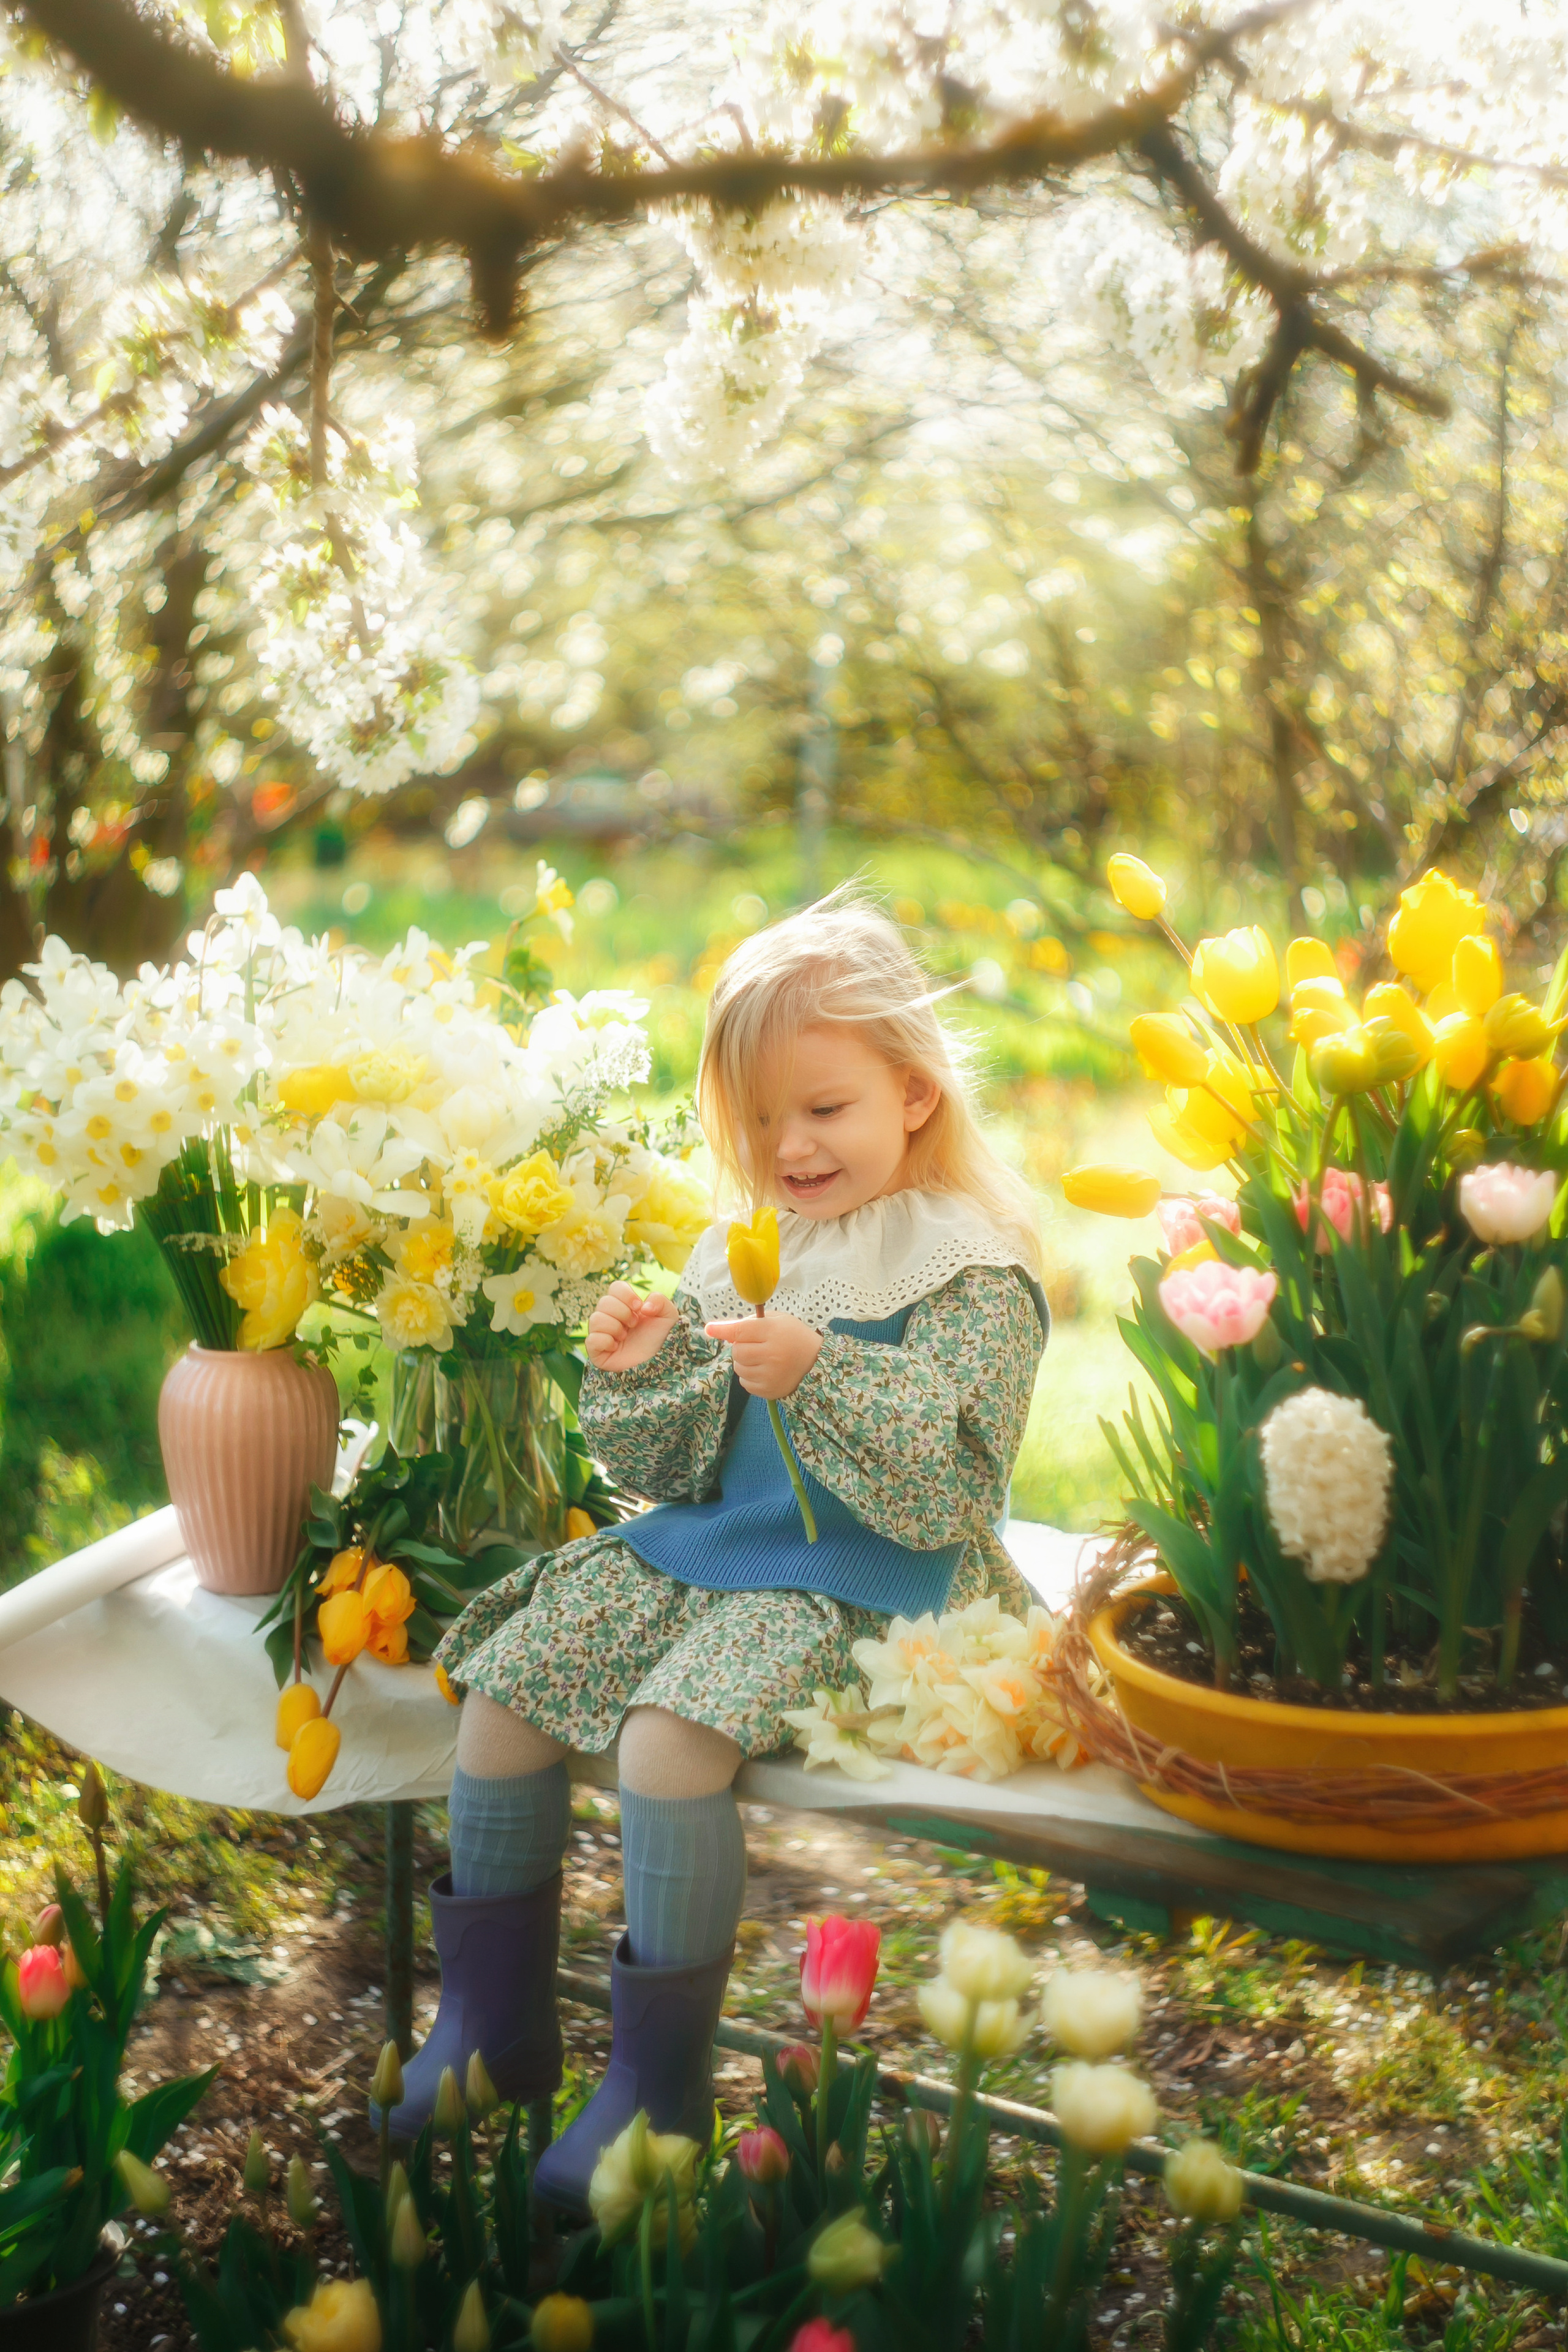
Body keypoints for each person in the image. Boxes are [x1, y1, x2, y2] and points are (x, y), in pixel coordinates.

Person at [374, 889, 1050, 2211]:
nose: (785, 1147)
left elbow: (950, 1487)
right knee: (511, 1690)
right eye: (754, 1120)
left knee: (665, 1738)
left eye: (822, 1110)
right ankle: (491, 2024)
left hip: (869, 1578)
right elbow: (669, 1472)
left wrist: (819, 1375)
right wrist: (650, 1369)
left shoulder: (969, 1265)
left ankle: (655, 2088)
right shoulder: (743, 1244)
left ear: (912, 1096)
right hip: (718, 1543)